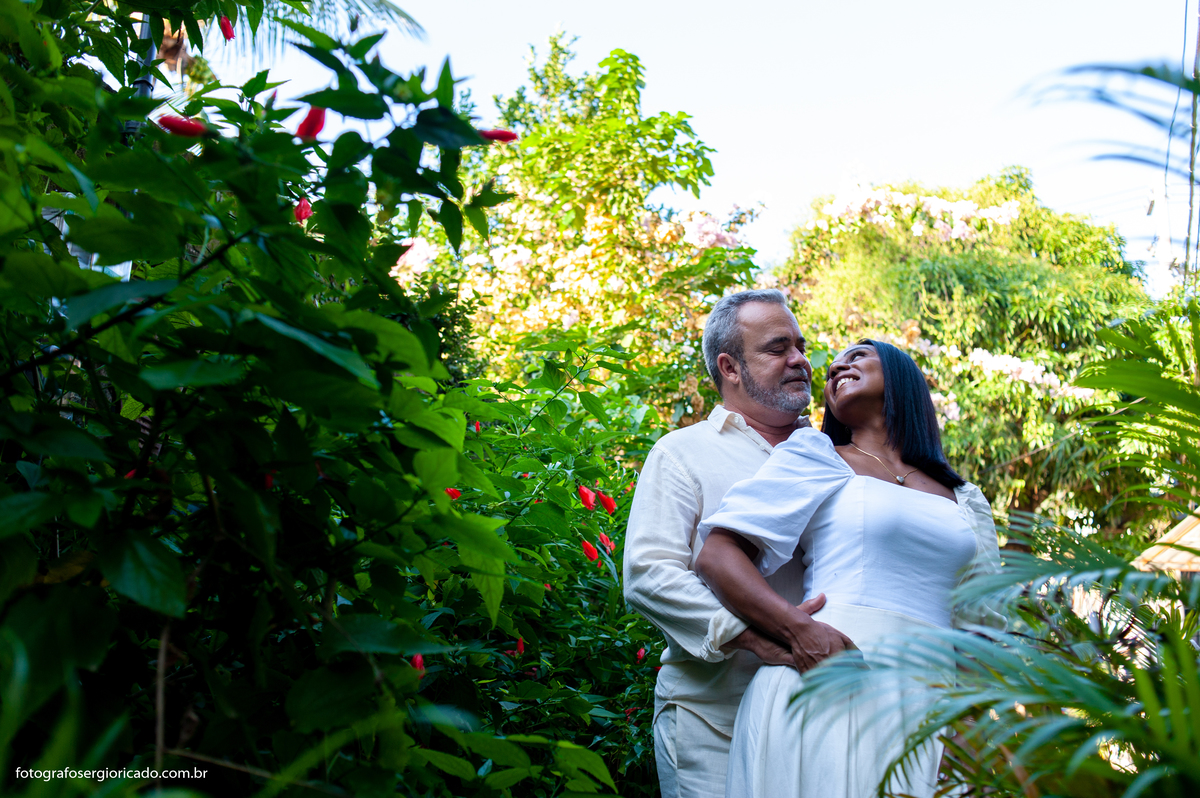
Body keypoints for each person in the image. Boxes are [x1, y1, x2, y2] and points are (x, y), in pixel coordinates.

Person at [695, 339, 1003, 798]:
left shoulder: (966, 500)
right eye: (836, 363)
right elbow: (718, 555)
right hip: (828, 679)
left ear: (902, 375)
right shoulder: (817, 455)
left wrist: (972, 726)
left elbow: (981, 627)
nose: (838, 365)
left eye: (857, 355)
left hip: (932, 704)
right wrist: (797, 629)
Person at [623, 289, 854, 798]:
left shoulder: (837, 459)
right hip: (713, 720)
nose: (800, 360)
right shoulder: (683, 453)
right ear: (729, 367)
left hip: (822, 713)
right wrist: (758, 636)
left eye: (800, 344)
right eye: (777, 348)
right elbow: (649, 575)